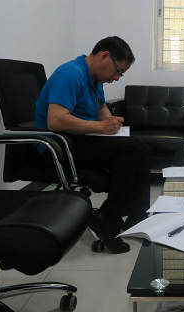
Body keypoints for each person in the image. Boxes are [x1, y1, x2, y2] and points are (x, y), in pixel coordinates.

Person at [34, 36, 150, 254]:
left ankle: (135, 215)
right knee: (136, 149)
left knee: (136, 150)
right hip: (59, 146)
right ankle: (110, 217)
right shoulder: (71, 74)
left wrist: (110, 122)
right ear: (104, 56)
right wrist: (100, 127)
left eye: (121, 74)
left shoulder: (94, 79)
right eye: (118, 71)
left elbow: (100, 107)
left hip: (79, 139)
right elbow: (55, 120)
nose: (116, 78)